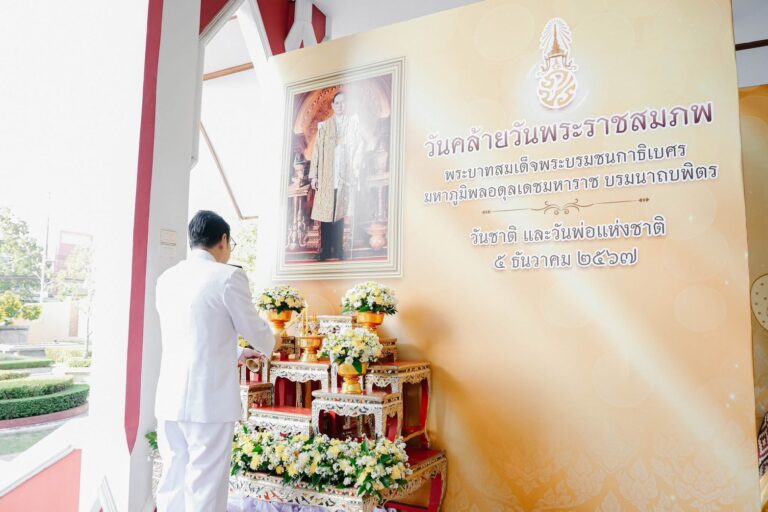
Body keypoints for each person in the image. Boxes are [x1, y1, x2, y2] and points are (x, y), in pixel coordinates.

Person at [154, 210, 277, 512]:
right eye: (231, 243)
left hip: (170, 398)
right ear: (223, 240)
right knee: (206, 486)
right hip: (208, 402)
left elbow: (190, 332)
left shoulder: (167, 279)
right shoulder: (228, 276)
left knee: (172, 480)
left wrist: (236, 353)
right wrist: (273, 341)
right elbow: (254, 329)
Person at [309, 90, 363, 260]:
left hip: (344, 175)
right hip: (327, 174)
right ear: (332, 106)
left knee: (339, 212)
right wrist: (314, 176)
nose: (340, 106)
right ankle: (325, 250)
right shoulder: (324, 126)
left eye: (343, 102)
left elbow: (358, 148)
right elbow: (317, 151)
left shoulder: (352, 125)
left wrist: (356, 169)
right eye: (337, 103)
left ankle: (339, 250)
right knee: (326, 213)